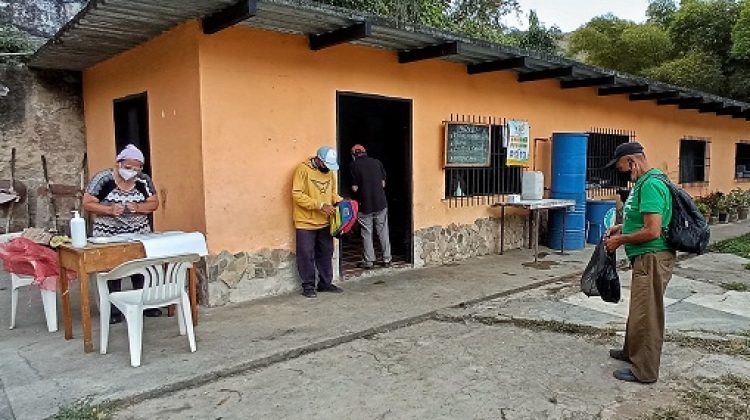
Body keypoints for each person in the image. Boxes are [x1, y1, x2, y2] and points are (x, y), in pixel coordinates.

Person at [604, 142, 675, 383]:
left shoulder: (652, 185)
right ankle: (631, 351)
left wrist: (621, 240)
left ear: (632, 161)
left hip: (652, 256)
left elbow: (653, 231)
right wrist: (621, 227)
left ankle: (644, 370)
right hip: (644, 257)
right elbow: (641, 220)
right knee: (638, 307)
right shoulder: (643, 183)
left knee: (648, 313)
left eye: (621, 166)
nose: (621, 171)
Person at [82, 144, 161, 324]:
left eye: (136, 168)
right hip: (108, 234)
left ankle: (145, 303)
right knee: (112, 269)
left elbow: (154, 203)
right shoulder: (103, 179)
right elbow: (87, 203)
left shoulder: (143, 181)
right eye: (127, 167)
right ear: (118, 164)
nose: (131, 171)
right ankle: (113, 309)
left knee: (141, 268)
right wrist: (109, 209)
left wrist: (138, 207)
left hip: (138, 232)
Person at [292, 146, 344, 298]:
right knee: (306, 254)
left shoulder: (330, 173)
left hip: (325, 221)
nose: (328, 168)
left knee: (326, 252)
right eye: (326, 165)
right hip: (305, 222)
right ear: (319, 160)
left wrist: (342, 202)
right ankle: (308, 285)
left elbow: (332, 194)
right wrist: (320, 205)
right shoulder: (302, 170)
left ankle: (325, 283)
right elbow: (297, 194)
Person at [349, 144, 391, 269]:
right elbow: (383, 184)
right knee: (383, 231)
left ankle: (369, 261)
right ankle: (387, 259)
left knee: (366, 233)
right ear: (365, 152)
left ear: (353, 155)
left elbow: (354, 188)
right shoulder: (377, 162)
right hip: (380, 203)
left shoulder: (353, 166)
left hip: (364, 204)